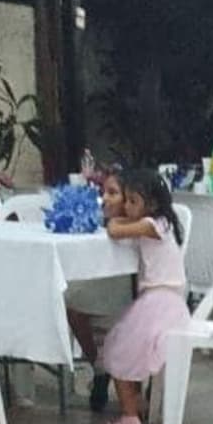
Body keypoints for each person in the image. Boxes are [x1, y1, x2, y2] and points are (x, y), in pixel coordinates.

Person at [97, 169, 190, 424]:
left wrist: (115, 219)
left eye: (133, 201)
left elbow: (114, 230)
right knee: (124, 348)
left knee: (117, 349)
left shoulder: (153, 225)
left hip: (159, 302)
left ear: (152, 204)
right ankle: (134, 404)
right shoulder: (160, 224)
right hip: (166, 302)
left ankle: (130, 417)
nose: (127, 206)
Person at [65, 168, 134, 411]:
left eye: (112, 193)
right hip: (99, 284)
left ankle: (106, 371)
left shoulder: (135, 225)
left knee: (73, 299)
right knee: (70, 301)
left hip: (127, 289)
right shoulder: (96, 222)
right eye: (103, 192)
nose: (104, 198)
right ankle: (99, 366)